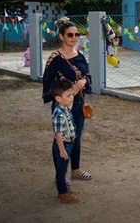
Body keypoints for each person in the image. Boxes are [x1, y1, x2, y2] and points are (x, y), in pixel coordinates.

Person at [43, 19, 93, 183]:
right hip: (63, 106)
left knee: (76, 137)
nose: (74, 37)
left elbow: (87, 75)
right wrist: (72, 89)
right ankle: (61, 174)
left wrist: (84, 82)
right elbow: (48, 83)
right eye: (70, 35)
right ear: (62, 37)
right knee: (62, 138)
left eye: (76, 34)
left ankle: (76, 170)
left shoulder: (80, 55)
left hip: (78, 104)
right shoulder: (55, 58)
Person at [50, 78, 80, 204]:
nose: (71, 97)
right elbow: (58, 135)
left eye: (72, 94)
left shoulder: (65, 106)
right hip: (63, 145)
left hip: (69, 143)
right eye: (68, 95)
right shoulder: (59, 114)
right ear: (58, 98)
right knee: (61, 172)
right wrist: (62, 150)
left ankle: (65, 190)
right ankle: (63, 194)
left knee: (62, 170)